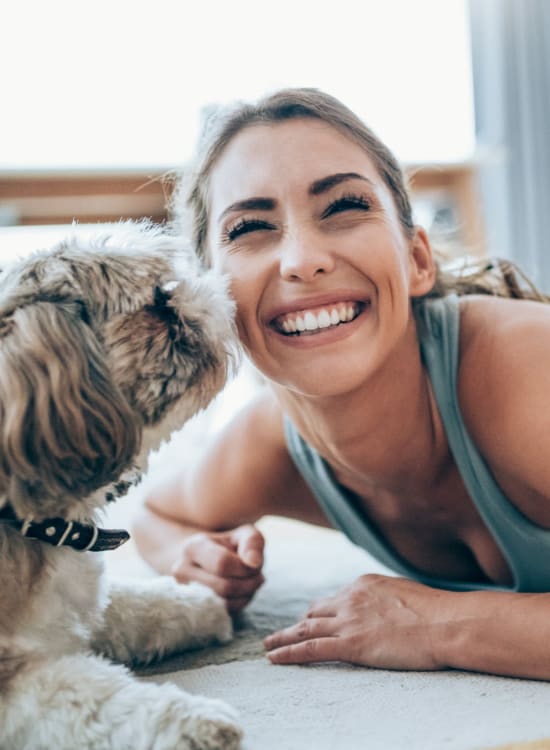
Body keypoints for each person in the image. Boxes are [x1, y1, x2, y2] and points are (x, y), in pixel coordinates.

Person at [133, 87, 550, 680]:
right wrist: (192, 560)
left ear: (417, 261)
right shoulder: (273, 445)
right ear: (210, 302)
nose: (302, 259)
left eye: (344, 207)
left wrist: (439, 625)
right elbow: (158, 514)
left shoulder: (522, 368)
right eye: (250, 226)